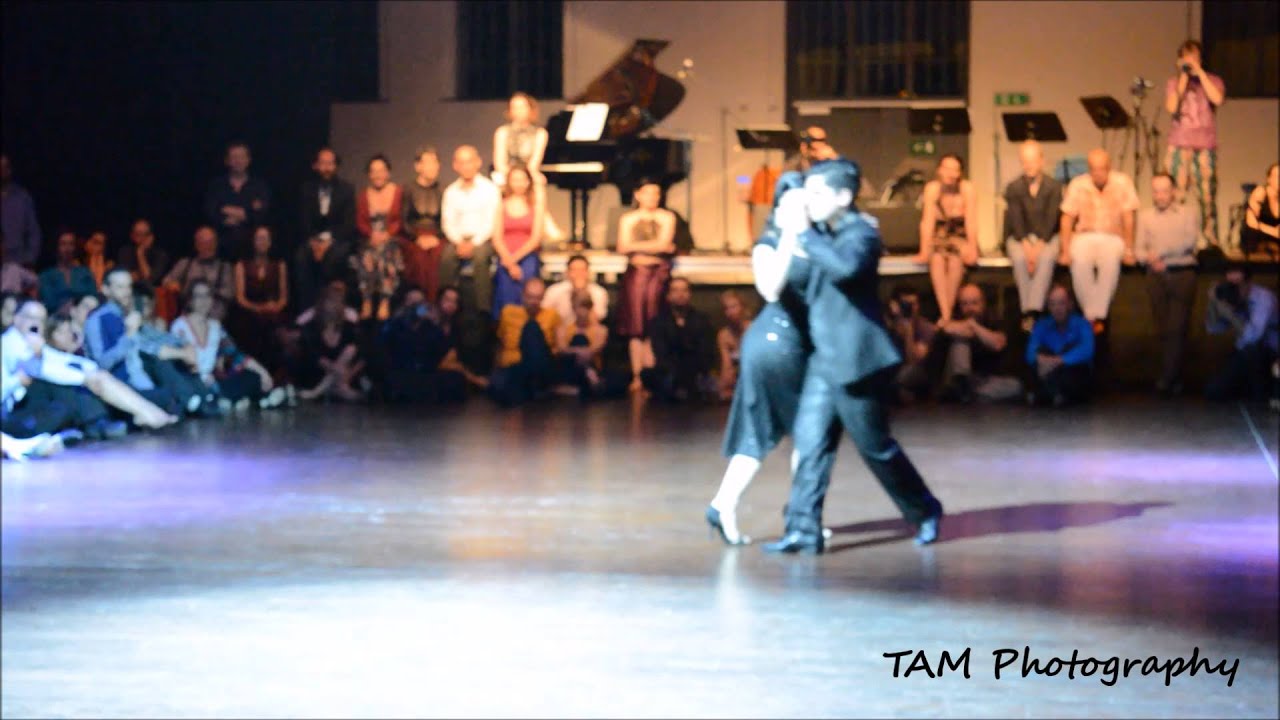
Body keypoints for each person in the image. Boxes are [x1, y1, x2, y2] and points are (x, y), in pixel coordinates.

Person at [765, 158, 942, 555]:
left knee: (876, 448)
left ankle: (925, 509)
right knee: (810, 447)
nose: (809, 201)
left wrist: (805, 236)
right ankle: (802, 530)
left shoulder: (861, 233)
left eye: (816, 193)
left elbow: (845, 269)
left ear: (844, 196)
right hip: (824, 359)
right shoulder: (822, 233)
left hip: (857, 361)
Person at [706, 173, 813, 546]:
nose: (805, 208)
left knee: (774, 432)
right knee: (803, 433)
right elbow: (770, 288)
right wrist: (789, 232)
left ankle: (724, 504)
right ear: (781, 207)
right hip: (774, 345)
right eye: (796, 202)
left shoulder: (815, 240)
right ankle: (801, 518)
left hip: (798, 346)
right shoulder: (770, 243)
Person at [3, 298, 174, 439]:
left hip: (37, 398)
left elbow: (59, 358)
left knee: (96, 377)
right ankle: (143, 414)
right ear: (16, 318)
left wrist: (90, 369)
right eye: (30, 317)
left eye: (41, 319)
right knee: (78, 385)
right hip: (17, 411)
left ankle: (147, 412)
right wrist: (84, 377)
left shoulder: (31, 341)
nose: (36, 323)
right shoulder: (10, 342)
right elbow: (41, 369)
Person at [87, 268, 214, 418]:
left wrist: (185, 346)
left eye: (128, 286)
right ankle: (192, 402)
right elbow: (102, 363)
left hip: (143, 380)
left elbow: (158, 337)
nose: (127, 292)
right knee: (160, 364)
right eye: (120, 287)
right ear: (106, 289)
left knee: (172, 359)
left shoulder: (129, 315)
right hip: (121, 388)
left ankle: (203, 399)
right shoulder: (97, 320)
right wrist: (128, 335)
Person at [1059, 148, 1139, 334]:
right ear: (1088, 169)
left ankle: (1095, 315)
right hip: (1085, 235)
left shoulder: (1123, 182)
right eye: (1094, 169)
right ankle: (1094, 318)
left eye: (1102, 168)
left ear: (1109, 167)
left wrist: (1129, 249)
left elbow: (1129, 217)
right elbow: (1067, 218)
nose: (1098, 173)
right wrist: (1064, 251)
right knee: (1079, 262)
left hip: (1112, 236)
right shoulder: (1078, 184)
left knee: (1110, 263)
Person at [171, 280, 282, 410]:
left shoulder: (215, 326)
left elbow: (234, 354)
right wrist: (201, 377)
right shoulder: (179, 326)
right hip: (192, 380)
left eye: (207, 295)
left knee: (253, 377)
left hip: (213, 380)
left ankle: (236, 400)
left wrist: (263, 373)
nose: (204, 301)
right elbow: (179, 361)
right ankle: (249, 400)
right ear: (190, 300)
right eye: (199, 296)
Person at [1137, 173, 1200, 396]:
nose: (1160, 195)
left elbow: (1189, 241)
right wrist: (1149, 258)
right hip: (1155, 276)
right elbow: (1139, 249)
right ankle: (1175, 379)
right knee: (1164, 329)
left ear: (1173, 191)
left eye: (1164, 190)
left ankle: (1167, 379)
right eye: (1156, 190)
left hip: (1182, 273)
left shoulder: (1187, 213)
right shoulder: (1145, 216)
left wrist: (1160, 254)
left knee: (1177, 328)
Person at [615, 179, 677, 393]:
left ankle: (651, 375)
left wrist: (638, 247)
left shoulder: (667, 217)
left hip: (657, 275)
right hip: (636, 275)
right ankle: (637, 376)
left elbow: (664, 245)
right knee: (635, 327)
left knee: (653, 325)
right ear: (638, 195)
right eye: (648, 193)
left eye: (656, 193)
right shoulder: (628, 218)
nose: (653, 198)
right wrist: (657, 247)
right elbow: (622, 246)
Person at [1164, 39, 1225, 248]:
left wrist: (1200, 74)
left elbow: (1217, 99)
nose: (1190, 61)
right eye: (1186, 57)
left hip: (1205, 146)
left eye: (1194, 57)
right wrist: (1183, 77)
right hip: (1179, 145)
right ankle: (1173, 238)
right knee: (1176, 195)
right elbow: (1172, 107)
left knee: (1207, 196)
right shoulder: (1174, 82)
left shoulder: (1213, 80)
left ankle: (1211, 241)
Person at [1003, 140, 1064, 330]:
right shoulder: (1013, 187)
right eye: (1025, 161)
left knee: (1046, 258)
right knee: (1020, 260)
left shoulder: (1053, 186)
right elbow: (1016, 219)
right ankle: (1027, 310)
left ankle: (1032, 311)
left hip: (1047, 236)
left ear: (1041, 161)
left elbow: (1052, 218)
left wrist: (1039, 246)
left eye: (1033, 160)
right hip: (1019, 237)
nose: (1029, 165)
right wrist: (1027, 246)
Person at [915, 154, 978, 324]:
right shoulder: (932, 189)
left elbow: (971, 220)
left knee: (955, 261)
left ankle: (945, 316)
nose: (950, 173)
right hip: (939, 237)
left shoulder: (967, 189)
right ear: (939, 171)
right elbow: (927, 221)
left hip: (959, 237)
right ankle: (947, 314)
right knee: (936, 259)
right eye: (946, 168)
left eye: (955, 169)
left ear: (960, 173)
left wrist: (973, 248)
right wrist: (923, 249)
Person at [440, 145, 502, 314]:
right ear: (455, 165)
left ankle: (483, 309)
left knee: (481, 257)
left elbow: (490, 222)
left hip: (482, 239)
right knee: (446, 257)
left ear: (478, 162)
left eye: (469, 161)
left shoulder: (489, 189)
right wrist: (459, 242)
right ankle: (445, 307)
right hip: (458, 239)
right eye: (461, 162)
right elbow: (448, 222)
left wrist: (473, 243)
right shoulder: (451, 191)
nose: (466, 166)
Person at [1204, 263, 1278, 403]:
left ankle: (1262, 393)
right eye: (1230, 284)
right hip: (1244, 351)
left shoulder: (1263, 299)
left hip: (1271, 351)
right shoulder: (1230, 297)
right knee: (1213, 392)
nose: (1233, 289)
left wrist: (1230, 314)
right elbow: (1213, 328)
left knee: (1251, 352)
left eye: (1237, 285)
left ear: (1248, 283)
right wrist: (1213, 303)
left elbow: (1253, 337)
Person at [934, 284, 1021, 404]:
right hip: (957, 377)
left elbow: (998, 344)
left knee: (1015, 386)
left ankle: (968, 395)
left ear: (983, 303)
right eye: (965, 304)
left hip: (985, 380)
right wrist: (954, 327)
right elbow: (943, 327)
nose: (970, 308)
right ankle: (962, 387)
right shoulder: (955, 318)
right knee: (960, 342)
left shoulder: (993, 319)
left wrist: (974, 326)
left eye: (974, 303)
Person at [379, 286, 467, 404]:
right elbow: (385, 345)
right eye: (412, 301)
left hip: (425, 374)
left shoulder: (429, 326)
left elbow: (441, 351)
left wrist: (434, 323)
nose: (415, 306)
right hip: (402, 372)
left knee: (455, 379)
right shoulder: (395, 323)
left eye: (419, 302)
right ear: (405, 302)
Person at [641, 278, 717, 403]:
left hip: (695, 370)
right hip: (669, 370)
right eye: (675, 290)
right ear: (668, 296)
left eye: (684, 290)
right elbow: (660, 352)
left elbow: (706, 350)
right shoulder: (659, 322)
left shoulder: (702, 320)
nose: (680, 294)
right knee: (649, 375)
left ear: (690, 294)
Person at [489, 277, 559, 407]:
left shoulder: (552, 315)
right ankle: (528, 391)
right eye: (530, 297)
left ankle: (535, 387)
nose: (533, 302)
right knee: (498, 388)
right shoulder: (508, 312)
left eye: (538, 298)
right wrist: (496, 369)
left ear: (543, 298)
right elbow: (500, 343)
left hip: (540, 366)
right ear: (522, 295)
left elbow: (557, 347)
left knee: (531, 327)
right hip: (514, 366)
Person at [353, 154, 406, 322]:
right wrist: (371, 235)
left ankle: (384, 300)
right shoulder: (363, 195)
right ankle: (367, 300)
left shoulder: (398, 192)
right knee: (367, 254)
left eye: (381, 171)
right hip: (369, 238)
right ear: (369, 174)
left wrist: (387, 234)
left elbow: (400, 220)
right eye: (374, 171)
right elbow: (360, 221)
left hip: (391, 237)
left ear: (388, 173)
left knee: (386, 252)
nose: (378, 175)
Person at [1025, 285, 1095, 407]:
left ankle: (1046, 394)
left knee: (1073, 363)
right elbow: (1030, 353)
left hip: (1071, 372)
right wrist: (1041, 360)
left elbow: (1087, 350)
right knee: (1040, 355)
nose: (1057, 308)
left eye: (1061, 303)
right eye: (1053, 304)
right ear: (1048, 306)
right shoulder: (1041, 325)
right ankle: (1056, 394)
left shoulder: (1082, 324)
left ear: (1070, 304)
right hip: (1047, 369)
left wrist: (1059, 361)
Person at [232, 226, 289, 375]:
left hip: (273, 311)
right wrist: (259, 308)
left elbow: (283, 298)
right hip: (250, 311)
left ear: (270, 242)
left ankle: (275, 374)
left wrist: (275, 307)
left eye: (265, 238)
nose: (262, 242)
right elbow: (240, 298)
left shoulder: (279, 265)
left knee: (276, 327)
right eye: (259, 238)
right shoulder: (242, 265)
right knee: (251, 326)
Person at [296, 283, 366, 402]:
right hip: (319, 373)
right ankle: (332, 389)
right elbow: (315, 356)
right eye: (331, 302)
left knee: (350, 350)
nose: (334, 306)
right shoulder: (312, 327)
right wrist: (337, 371)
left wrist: (346, 377)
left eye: (338, 302)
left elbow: (362, 355)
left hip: (345, 377)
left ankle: (320, 391)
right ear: (322, 304)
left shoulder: (349, 326)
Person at [491, 165, 545, 319]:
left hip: (527, 256)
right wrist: (508, 261)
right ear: (509, 181)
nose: (519, 183)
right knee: (505, 289)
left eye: (522, 179)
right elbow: (497, 238)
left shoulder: (536, 205)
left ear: (528, 182)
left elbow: (535, 239)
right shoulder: (502, 205)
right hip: (505, 256)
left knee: (527, 285)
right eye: (515, 179)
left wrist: (514, 260)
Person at [203, 140, 271, 258]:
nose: (238, 161)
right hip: (222, 236)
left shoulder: (259, 187)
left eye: (241, 157)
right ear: (227, 161)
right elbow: (211, 211)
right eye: (234, 157)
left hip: (250, 239)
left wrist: (227, 209)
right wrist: (241, 213)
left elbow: (261, 215)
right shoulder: (217, 186)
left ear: (248, 160)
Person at [554, 289, 624, 401]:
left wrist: (578, 351)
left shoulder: (601, 330)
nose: (583, 311)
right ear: (573, 307)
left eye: (586, 306)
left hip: (595, 369)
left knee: (619, 378)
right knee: (579, 339)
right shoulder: (563, 330)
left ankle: (579, 389)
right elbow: (562, 349)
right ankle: (587, 382)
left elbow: (595, 349)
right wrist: (579, 351)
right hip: (573, 370)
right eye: (579, 306)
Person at [401, 145, 446, 301]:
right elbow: (404, 220)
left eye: (435, 162)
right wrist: (416, 238)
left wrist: (437, 237)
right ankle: (417, 303)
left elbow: (446, 219)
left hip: (437, 235)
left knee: (437, 259)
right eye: (427, 162)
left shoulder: (443, 189)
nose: (432, 166)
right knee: (418, 260)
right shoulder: (408, 189)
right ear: (418, 166)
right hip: (414, 235)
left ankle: (435, 303)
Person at [162, 226, 236, 320]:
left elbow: (229, 294)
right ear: (197, 244)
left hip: (214, 316)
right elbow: (166, 281)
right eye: (203, 243)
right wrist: (171, 284)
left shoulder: (225, 267)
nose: (207, 246)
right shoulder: (185, 264)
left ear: (216, 244)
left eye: (210, 242)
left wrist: (207, 291)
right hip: (187, 314)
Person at [299, 147, 357, 260]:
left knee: (336, 255)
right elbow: (304, 220)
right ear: (315, 165)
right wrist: (314, 243)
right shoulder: (307, 189)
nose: (326, 168)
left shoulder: (346, 190)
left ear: (336, 166)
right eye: (323, 163)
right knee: (302, 255)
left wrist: (328, 243)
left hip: (337, 240)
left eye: (330, 163)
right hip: (313, 239)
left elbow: (348, 224)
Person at [884, 284, 936, 404]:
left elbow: (914, 361)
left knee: (907, 373)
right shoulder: (886, 323)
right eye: (906, 304)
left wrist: (909, 332)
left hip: (916, 372)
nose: (911, 308)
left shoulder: (926, 327)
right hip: (890, 371)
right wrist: (891, 322)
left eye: (915, 304)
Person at [492, 92, 548, 187]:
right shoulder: (502, 132)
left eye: (523, 107)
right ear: (510, 111)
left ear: (530, 109)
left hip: (528, 174)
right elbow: (499, 162)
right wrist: (512, 176)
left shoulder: (540, 133)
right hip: (506, 174)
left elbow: (534, 163)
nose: (519, 111)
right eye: (515, 107)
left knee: (538, 181)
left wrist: (523, 177)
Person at [38, 230, 97, 312]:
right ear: (56, 247)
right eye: (63, 244)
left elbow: (93, 298)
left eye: (71, 244)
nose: (67, 248)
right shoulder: (46, 276)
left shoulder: (85, 273)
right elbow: (49, 303)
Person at [542, 254, 609, 325]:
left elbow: (598, 320)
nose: (578, 274)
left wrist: (583, 292)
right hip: (561, 331)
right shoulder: (554, 290)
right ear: (567, 272)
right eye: (574, 270)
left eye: (582, 270)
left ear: (588, 272)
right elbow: (545, 316)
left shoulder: (599, 292)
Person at [1, 154, 42, 268]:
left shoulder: (22, 198)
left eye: (4, 167)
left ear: (9, 170)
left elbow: (34, 232)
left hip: (16, 262)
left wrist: (29, 259)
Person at [716, 290, 752, 401]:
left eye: (734, 307)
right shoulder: (724, 335)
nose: (730, 312)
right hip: (736, 379)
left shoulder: (754, 329)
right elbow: (726, 365)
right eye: (727, 308)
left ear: (743, 307)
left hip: (752, 376)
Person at [115, 219, 170, 291]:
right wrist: (138, 275)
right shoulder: (125, 251)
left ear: (151, 237)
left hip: (151, 294)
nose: (142, 238)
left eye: (145, 234)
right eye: (138, 234)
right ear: (132, 236)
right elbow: (125, 277)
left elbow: (150, 279)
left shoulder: (160, 255)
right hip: (128, 291)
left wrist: (140, 254)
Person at [1242, 163, 1279, 256]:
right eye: (1277, 176)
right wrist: (1273, 231)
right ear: (1269, 179)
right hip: (1258, 235)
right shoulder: (1260, 192)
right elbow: (1251, 223)